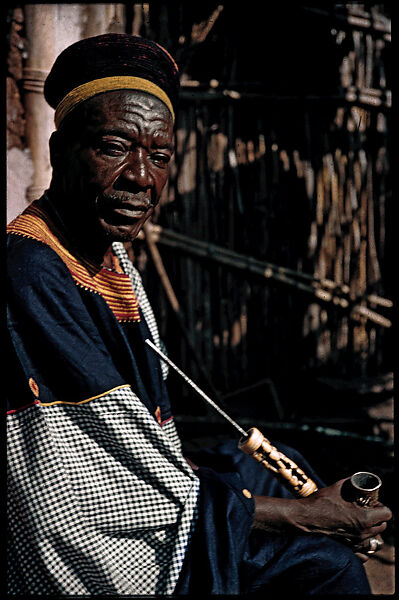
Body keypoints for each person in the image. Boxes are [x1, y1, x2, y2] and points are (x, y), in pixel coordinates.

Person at [7, 33, 391, 596]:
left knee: (279, 463)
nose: (141, 176)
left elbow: (131, 444)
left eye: (159, 156)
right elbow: (84, 493)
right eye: (113, 147)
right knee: (322, 566)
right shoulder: (29, 273)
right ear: (59, 152)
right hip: (94, 557)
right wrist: (306, 517)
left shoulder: (110, 263)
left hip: (136, 498)